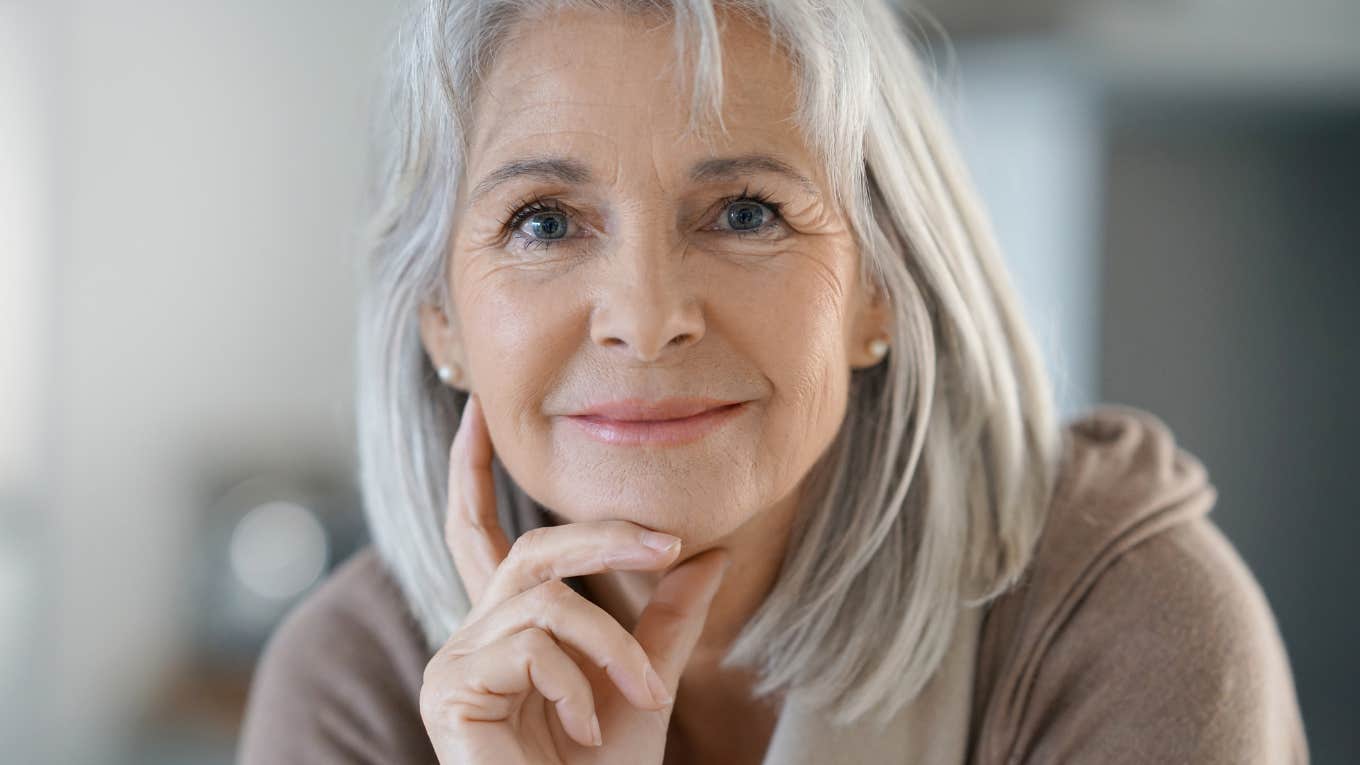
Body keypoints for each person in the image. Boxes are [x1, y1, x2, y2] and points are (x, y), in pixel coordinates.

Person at [237, 1, 1310, 763]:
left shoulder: (1122, 625)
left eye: (744, 211)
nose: (647, 319)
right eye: (544, 222)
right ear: (443, 320)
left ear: (878, 288)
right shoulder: (360, 684)